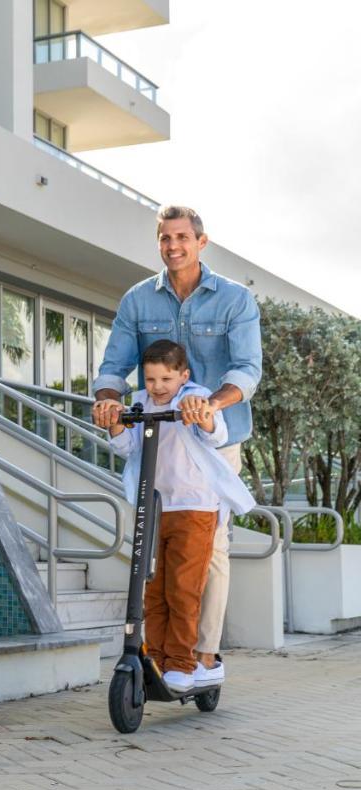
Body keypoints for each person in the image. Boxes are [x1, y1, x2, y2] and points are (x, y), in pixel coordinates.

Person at [92, 205, 261, 687]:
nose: (173, 246)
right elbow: (114, 366)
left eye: (182, 237)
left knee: (212, 551)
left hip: (215, 437)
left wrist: (209, 405)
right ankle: (158, 652)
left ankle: (202, 655)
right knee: (153, 552)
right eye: (166, 238)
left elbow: (246, 371)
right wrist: (107, 402)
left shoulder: (233, 299)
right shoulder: (138, 299)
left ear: (200, 242)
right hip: (158, 441)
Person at [97, 340, 255, 691]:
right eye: (151, 379)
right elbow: (127, 448)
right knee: (152, 590)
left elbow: (218, 437)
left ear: (183, 376)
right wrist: (116, 423)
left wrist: (204, 413)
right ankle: (157, 658)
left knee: (183, 589)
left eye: (167, 379)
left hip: (195, 507)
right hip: (155, 507)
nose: (158, 387)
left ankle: (183, 663)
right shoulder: (140, 401)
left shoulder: (195, 397)